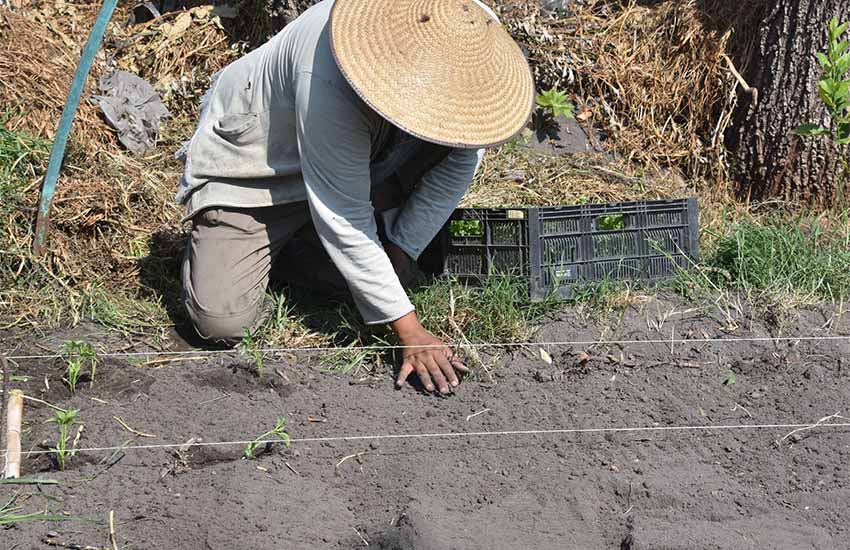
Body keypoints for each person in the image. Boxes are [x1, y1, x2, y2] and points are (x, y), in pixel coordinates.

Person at [176, 0, 534, 394]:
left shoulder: (469, 31)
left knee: (384, 277)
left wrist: (400, 251)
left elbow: (460, 160)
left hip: (361, 161)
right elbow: (342, 211)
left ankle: (301, 251)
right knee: (221, 322)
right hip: (260, 170)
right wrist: (409, 330)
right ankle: (255, 243)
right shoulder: (329, 70)